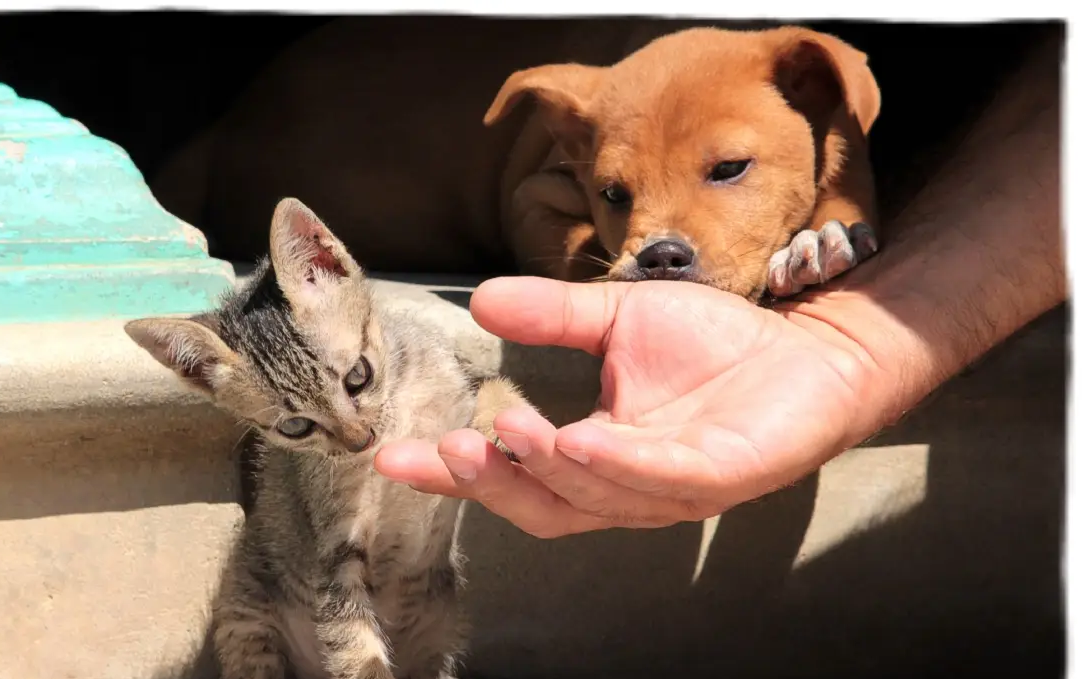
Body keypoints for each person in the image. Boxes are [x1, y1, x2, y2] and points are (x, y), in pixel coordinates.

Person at [373, 29, 1065, 539]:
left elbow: (841, 167)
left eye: (727, 169)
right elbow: (535, 202)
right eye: (619, 193)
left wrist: (840, 227)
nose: (663, 242)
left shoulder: (795, 104)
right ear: (572, 136)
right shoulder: (597, 125)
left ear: (814, 90)